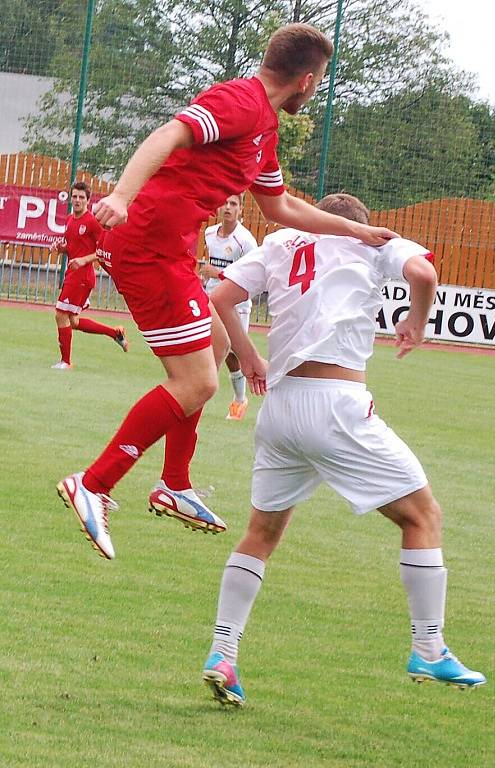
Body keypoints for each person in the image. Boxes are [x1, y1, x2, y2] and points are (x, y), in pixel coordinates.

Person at [57, 23, 400, 561]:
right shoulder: (241, 100)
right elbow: (168, 135)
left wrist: (354, 230)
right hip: (148, 244)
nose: (318, 88)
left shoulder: (265, 129)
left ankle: (173, 482)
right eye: (322, 80)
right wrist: (122, 196)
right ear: (307, 80)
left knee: (213, 350)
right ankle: (94, 484)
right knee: (197, 383)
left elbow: (280, 207)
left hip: (169, 250)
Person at [202, 193, 486, 707]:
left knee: (260, 534)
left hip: (281, 409)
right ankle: (428, 645)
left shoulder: (282, 241)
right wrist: (417, 323)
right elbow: (423, 275)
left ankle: (223, 652)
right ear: (360, 225)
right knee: (422, 516)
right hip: (337, 406)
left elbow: (220, 297)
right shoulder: (373, 242)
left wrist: (247, 358)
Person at [50, 181, 128, 369]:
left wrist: (84, 260)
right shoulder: (70, 219)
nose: (77, 200)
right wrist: (61, 249)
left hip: (82, 276)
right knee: (73, 321)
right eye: (74, 196)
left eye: (81, 197)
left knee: (60, 314)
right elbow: (74, 247)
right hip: (73, 273)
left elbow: (103, 250)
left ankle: (65, 362)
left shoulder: (92, 222)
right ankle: (115, 333)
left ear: (87, 200)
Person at [200, 194, 257, 421]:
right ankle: (200, 394)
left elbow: (251, 277)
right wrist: (206, 279)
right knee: (209, 345)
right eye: (224, 203)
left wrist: (219, 274)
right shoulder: (210, 234)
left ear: (241, 209)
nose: (228, 207)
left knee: (234, 353)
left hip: (236, 303)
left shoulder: (246, 241)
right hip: (211, 297)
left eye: (233, 204)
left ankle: (240, 399)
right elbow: (210, 266)